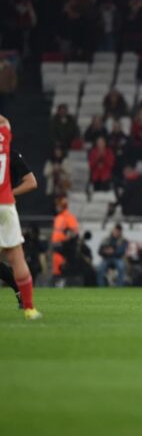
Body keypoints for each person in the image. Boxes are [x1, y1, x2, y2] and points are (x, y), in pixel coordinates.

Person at [0, 116, 41, 319]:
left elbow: (31, 182)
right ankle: (29, 307)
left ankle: (20, 294)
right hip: (6, 205)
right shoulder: (7, 148)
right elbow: (5, 121)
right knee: (17, 258)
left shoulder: (14, 156)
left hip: (7, 203)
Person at [51, 195, 79, 287]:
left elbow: (73, 233)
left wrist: (65, 242)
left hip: (63, 248)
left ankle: (64, 286)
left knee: (63, 268)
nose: (56, 207)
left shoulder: (68, 217)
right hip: (57, 248)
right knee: (57, 268)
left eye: (58, 205)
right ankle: (58, 287)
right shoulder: (58, 217)